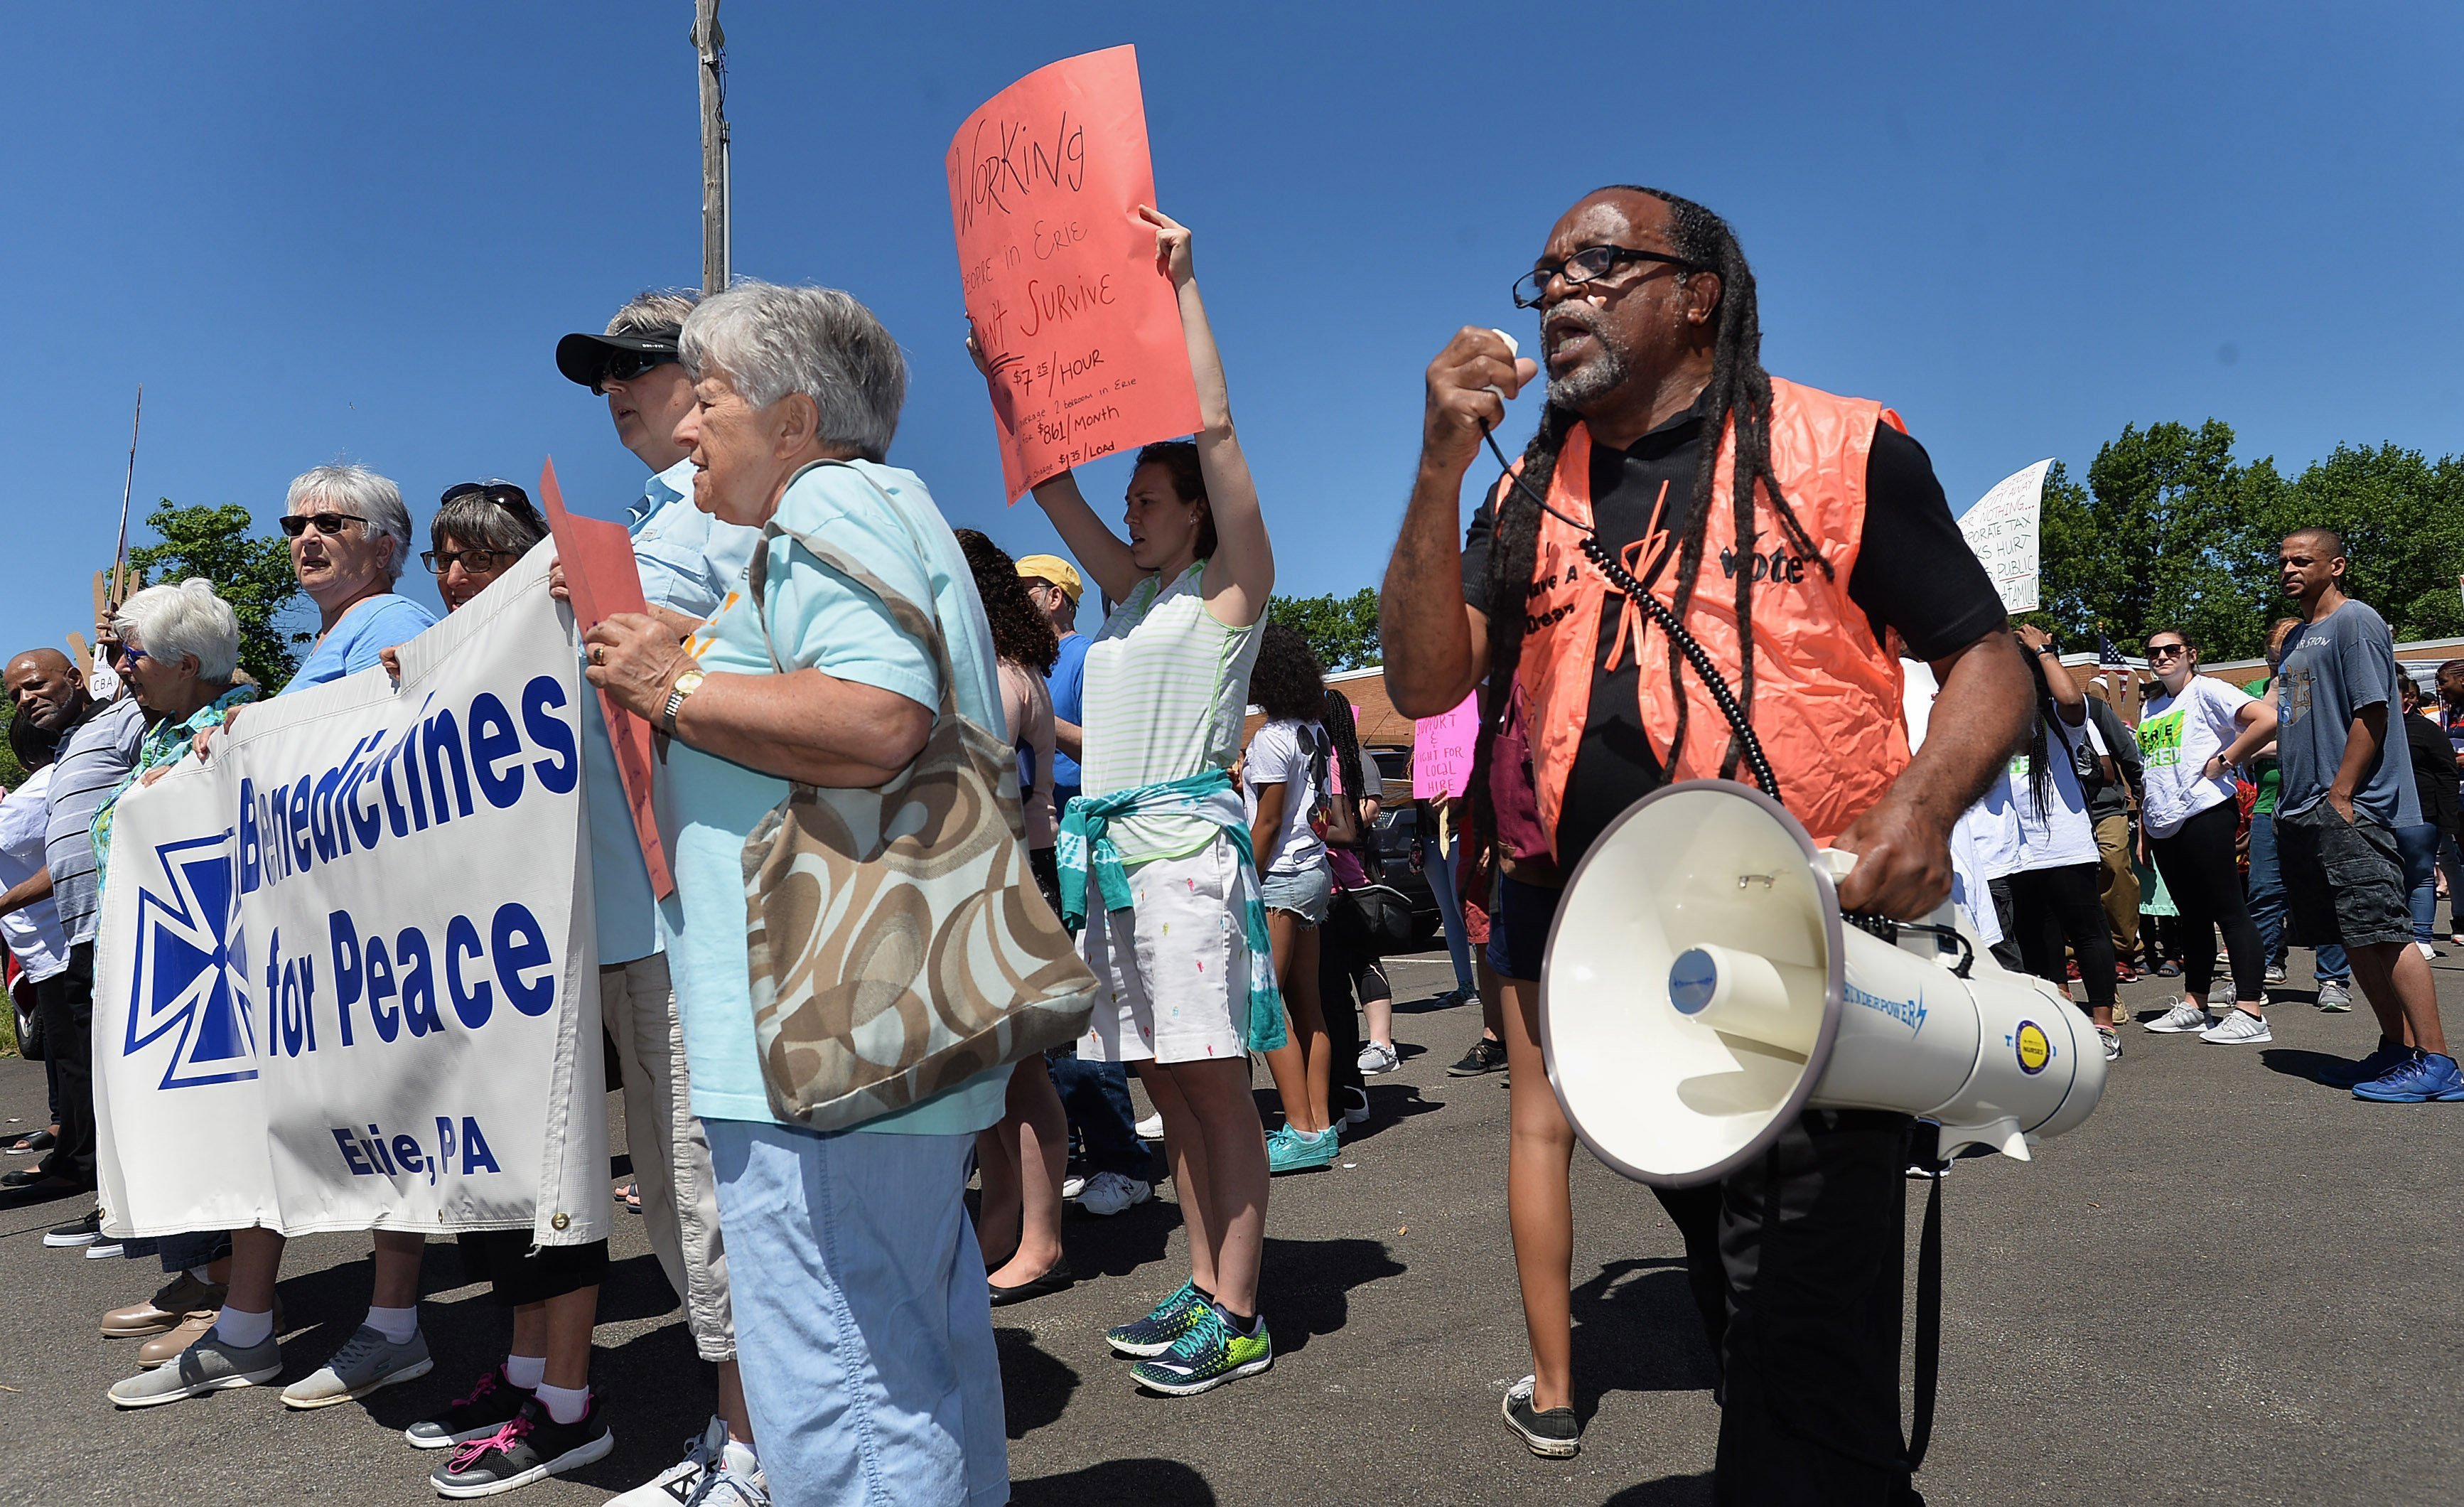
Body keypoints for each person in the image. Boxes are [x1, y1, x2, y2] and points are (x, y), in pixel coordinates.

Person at [1377, 185, 2028, 1495]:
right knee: (1753, 1313)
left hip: (1816, 951)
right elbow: (1423, 684)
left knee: (1791, 1314)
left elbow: (1987, 655)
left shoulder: (1837, 446)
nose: (1560, 287)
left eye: (1600, 261)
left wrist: (1917, 806)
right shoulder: (1522, 497)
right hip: (1623, 977)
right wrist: (1439, 465)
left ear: (1698, 296)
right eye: (1546, 270)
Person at [585, 279, 1009, 1505]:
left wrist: (672, 683)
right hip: (863, 1009)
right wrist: (695, 645)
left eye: (707, 397)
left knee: (844, 1389)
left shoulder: (829, 503)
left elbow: (874, 718)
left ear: (794, 417)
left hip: (814, 1022)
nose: (682, 429)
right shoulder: (867, 510)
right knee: (909, 1350)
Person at [984, 208, 1282, 1400]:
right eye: (1133, 497)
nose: (1133, 507)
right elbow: (1048, 483)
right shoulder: (1121, 600)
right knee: (1162, 1079)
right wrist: (1004, 377)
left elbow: (1213, 425)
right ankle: (1206, 1279)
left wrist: (1185, 284)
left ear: (1200, 510)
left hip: (1183, 862)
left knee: (1210, 1080)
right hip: (1113, 868)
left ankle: (1241, 1305)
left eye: (1151, 495)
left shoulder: (1230, 592)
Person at [108, 464, 439, 1409]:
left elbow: (402, 728)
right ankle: (246, 1327)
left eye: (330, 520)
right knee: (266, 1122)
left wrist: (267, 727)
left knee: (381, 1125)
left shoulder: (392, 623)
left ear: (383, 539)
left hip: (362, 925)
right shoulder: (329, 639)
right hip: (298, 934)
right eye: (295, 521)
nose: (304, 535)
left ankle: (394, 1324)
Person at [556, 290, 764, 1507]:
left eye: (642, 363)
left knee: (709, 1189)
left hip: (706, 897)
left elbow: (763, 651)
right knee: (681, 1205)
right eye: (605, 373)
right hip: (641, 903)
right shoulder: (643, 512)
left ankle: (754, 1449)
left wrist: (643, 630)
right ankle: (744, 1430)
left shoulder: (742, 505)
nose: (617, 388)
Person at [2271, 529, 2456, 1102]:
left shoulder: (2356, 622)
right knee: (2352, 936)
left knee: (2384, 930)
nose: (2288, 569)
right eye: (2282, 561)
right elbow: (2296, 719)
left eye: (2302, 560)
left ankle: (2439, 1063)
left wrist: (2342, 793)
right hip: (2301, 808)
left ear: (2336, 566)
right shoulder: (2300, 636)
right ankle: (2395, 1051)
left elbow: (2371, 713)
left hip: (2353, 807)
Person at [954, 527, 1081, 1306]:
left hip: (1000, 878)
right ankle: (1003, 1221)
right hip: (997, 874)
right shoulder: (1012, 666)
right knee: (994, 1074)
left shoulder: (997, 674)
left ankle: (1040, 1238)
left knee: (1021, 1073)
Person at [1015, 552, 1151, 1219]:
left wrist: (1038, 722)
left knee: (1079, 1010)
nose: (1012, 603)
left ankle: (1121, 1161)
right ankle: (1074, 1149)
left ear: (1057, 597)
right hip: (1038, 841)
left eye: (1024, 591)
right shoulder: (1030, 669)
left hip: (1078, 839)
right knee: (1043, 1019)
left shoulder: (1085, 660)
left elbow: (1111, 747)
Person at [0, 648, 144, 1231]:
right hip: (73, 935)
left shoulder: (118, 722)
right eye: (14, 696)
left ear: (76, 679)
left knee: (99, 1067)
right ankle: (93, 1179)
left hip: (102, 925)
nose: (25, 699)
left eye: (34, 685)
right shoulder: (68, 752)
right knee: (78, 1065)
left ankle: (118, 1199)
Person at [2131, 628, 2278, 1044]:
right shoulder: (2154, 704)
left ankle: (2250, 1011)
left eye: (2171, 650)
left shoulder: (2208, 690)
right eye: (2154, 652)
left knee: (2229, 910)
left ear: (2191, 654)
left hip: (2206, 812)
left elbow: (2266, 720)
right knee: (2190, 915)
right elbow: (2152, 772)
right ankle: (2196, 1005)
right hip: (2164, 821)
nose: (2162, 657)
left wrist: (2226, 760)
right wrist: (2145, 828)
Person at [1244, 625, 1341, 1174]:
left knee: (1268, 1009)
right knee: (1308, 1004)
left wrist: (1246, 883)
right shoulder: (1314, 728)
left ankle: (1301, 1131)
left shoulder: (1270, 738)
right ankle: (1320, 1126)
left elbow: (1269, 820)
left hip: (1279, 877)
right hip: (1313, 871)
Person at [2004, 627, 2123, 1059]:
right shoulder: (1991, 716)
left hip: (2066, 844)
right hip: (2016, 849)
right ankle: (2059, 1013)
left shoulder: (2057, 715)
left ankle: (2104, 1024)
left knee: (2088, 932)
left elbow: (2074, 701)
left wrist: (2044, 651)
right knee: (2037, 937)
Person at [2244, 618, 2352, 1007]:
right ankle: (2263, 969)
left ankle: (2333, 979)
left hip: (2313, 801)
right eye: (2275, 651)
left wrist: (2268, 743)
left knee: (2324, 890)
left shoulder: (2314, 682)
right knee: (2264, 893)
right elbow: (2247, 742)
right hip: (2267, 804)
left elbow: (2302, 736)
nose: (2281, 656)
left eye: (2288, 648)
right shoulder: (2254, 692)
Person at [0, 712, 68, 1171]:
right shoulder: (39, 787)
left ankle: (73, 1154)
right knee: (60, 1046)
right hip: (42, 948)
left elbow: (11, 829)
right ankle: (64, 1126)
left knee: (70, 1048)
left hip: (58, 943)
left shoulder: (45, 785)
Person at [2079, 682, 2143, 980]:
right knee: (2068, 879)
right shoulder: (2028, 709)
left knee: (2115, 864)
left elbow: (2126, 752)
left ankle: (2124, 951)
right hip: (2057, 810)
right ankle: (2071, 954)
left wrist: (2144, 793)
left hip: (2105, 806)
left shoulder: (2092, 708)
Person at [2396, 677, 2457, 958]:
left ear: (2407, 698)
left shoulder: (2425, 730)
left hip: (2422, 815)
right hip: (2375, 815)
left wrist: (2447, 819)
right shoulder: (2362, 728)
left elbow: (2447, 773)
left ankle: (2421, 936)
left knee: (2420, 874)